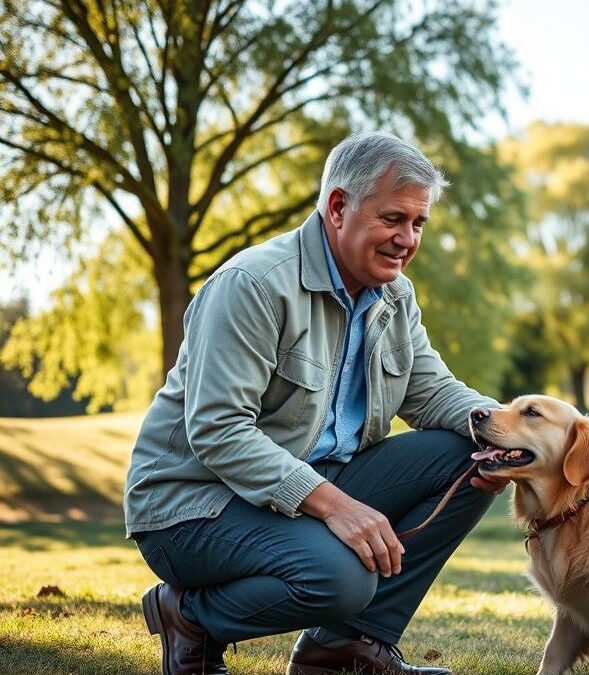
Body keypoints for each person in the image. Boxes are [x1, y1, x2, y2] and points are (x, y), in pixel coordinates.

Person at [124, 132, 507, 675]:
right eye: (393, 218)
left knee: (467, 455)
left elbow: (435, 393)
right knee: (340, 578)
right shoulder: (252, 284)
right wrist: (335, 506)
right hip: (193, 507)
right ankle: (189, 615)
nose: (406, 239)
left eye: (417, 223)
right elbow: (218, 431)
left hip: (309, 488)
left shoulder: (395, 297)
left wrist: (518, 434)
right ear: (337, 207)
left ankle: (342, 648)